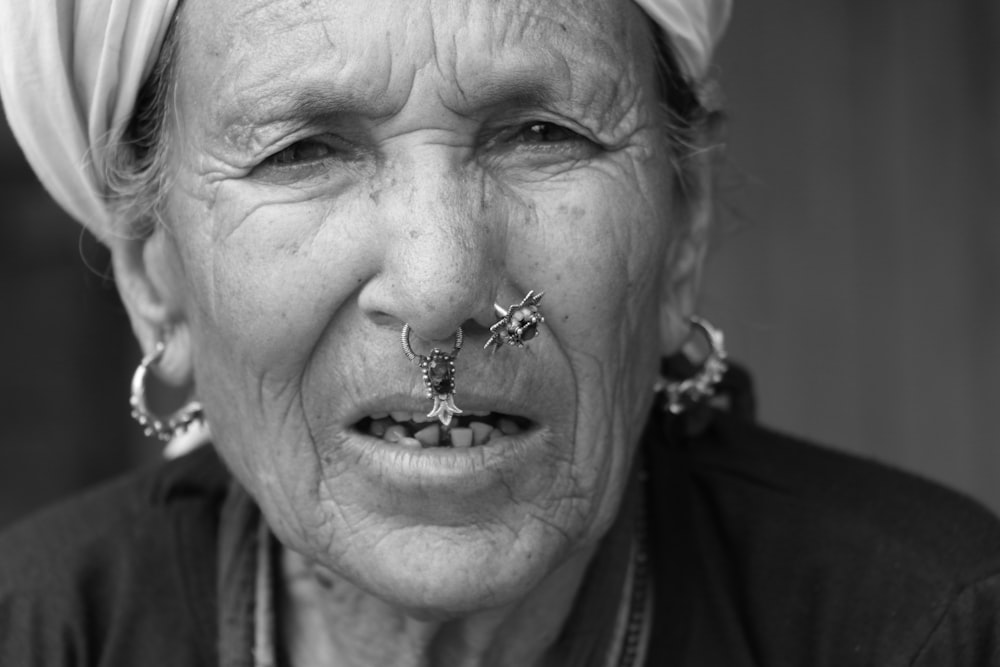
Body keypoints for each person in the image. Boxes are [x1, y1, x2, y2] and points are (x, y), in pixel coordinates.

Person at [1, 0, 999, 664]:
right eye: (304, 152)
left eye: (540, 135)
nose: (439, 289)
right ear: (153, 271)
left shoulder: (925, 630)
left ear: (681, 219)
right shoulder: (38, 633)